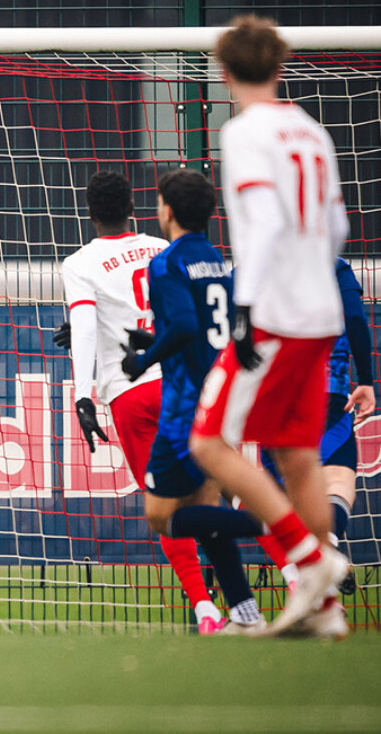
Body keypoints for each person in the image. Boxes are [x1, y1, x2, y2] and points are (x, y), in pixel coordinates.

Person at [188, 15, 351, 639]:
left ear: (224, 73)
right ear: (280, 67)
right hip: (321, 312)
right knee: (298, 457)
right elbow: (335, 226)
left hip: (277, 313)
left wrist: (248, 306)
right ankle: (324, 613)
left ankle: (310, 561)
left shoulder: (244, 132)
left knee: (208, 442)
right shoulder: (310, 131)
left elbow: (262, 219)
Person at [55, 171, 216, 631]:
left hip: (130, 394)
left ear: (90, 212)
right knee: (211, 494)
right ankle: (279, 575)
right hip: (182, 382)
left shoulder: (80, 263)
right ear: (134, 206)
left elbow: (85, 328)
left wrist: (82, 396)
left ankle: (204, 609)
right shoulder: (160, 249)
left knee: (163, 504)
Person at [119, 168, 266, 634]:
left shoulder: (166, 262)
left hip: (185, 405)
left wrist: (144, 361)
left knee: (162, 516)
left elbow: (183, 328)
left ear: (167, 209)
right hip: (220, 397)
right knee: (208, 513)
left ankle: (283, 525)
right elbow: (204, 327)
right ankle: (245, 612)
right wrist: (153, 338)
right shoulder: (216, 259)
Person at [258, 257, 376, 594]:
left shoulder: (257, 263)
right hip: (328, 390)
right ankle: (328, 545)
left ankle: (308, 576)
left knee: (281, 490)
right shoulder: (334, 264)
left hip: (275, 391)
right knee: (336, 478)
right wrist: (366, 379)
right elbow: (354, 317)